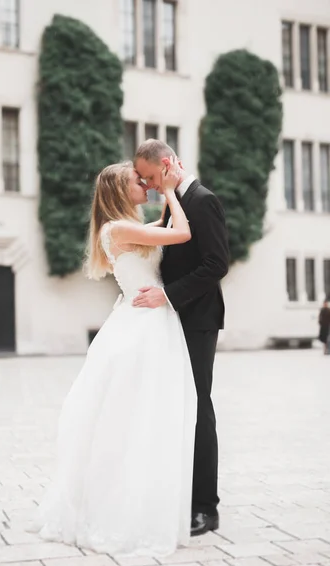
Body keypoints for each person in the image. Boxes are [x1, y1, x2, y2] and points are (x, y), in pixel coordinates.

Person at [30, 158, 199, 557]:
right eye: (138, 181)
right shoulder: (117, 228)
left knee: (148, 417)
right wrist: (172, 190)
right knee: (135, 418)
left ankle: (142, 499)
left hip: (150, 322)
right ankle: (121, 509)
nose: (145, 184)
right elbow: (183, 233)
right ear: (120, 191)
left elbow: (161, 231)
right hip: (142, 329)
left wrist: (166, 193)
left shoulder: (128, 228)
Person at [134, 139, 229, 537]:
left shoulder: (203, 200)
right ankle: (179, 495)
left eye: (152, 177)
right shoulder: (172, 201)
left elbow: (216, 263)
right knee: (176, 407)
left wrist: (167, 295)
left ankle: (206, 508)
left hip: (197, 319)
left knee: (197, 407)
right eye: (145, 180)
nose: (151, 185)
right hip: (172, 320)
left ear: (169, 164)